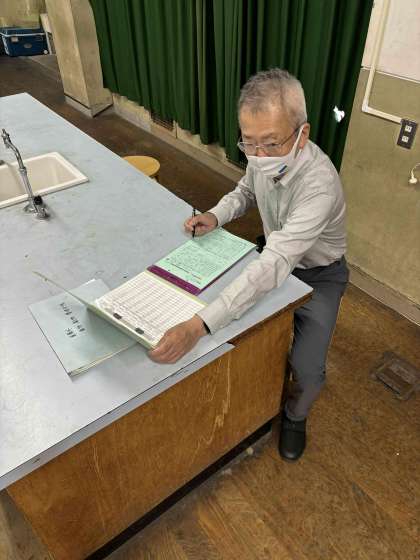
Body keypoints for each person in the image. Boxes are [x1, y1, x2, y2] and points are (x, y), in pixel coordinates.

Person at [149, 68, 348, 462]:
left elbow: (276, 263)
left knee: (307, 368)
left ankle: (295, 416)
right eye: (249, 143)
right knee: (251, 335)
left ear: (302, 134)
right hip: (274, 256)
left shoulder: (319, 185)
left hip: (318, 275)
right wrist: (216, 215)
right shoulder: (263, 156)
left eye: (270, 144)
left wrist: (198, 325)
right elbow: (245, 191)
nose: (259, 156)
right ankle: (252, 401)